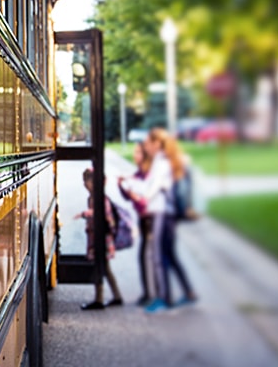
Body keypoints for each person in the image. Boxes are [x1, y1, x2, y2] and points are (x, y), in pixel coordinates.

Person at [141, 128, 198, 312]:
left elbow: (156, 185)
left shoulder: (162, 161)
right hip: (168, 213)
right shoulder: (168, 159)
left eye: (148, 143)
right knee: (170, 255)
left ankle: (164, 298)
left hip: (162, 213)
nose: (146, 147)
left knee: (159, 255)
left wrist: (145, 198)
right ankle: (189, 292)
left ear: (157, 144)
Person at [75, 169, 123, 310]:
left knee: (99, 267)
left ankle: (99, 299)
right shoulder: (94, 197)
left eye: (87, 181)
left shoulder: (99, 198)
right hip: (97, 237)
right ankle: (116, 296)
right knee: (105, 268)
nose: (85, 184)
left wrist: (86, 214)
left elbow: (104, 215)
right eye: (84, 181)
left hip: (100, 238)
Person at [118, 142, 154, 306]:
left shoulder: (148, 175)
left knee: (151, 257)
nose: (135, 155)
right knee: (148, 257)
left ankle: (153, 294)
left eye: (138, 152)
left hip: (152, 219)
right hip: (144, 219)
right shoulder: (139, 174)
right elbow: (128, 197)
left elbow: (143, 201)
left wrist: (133, 194)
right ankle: (150, 293)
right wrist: (121, 187)